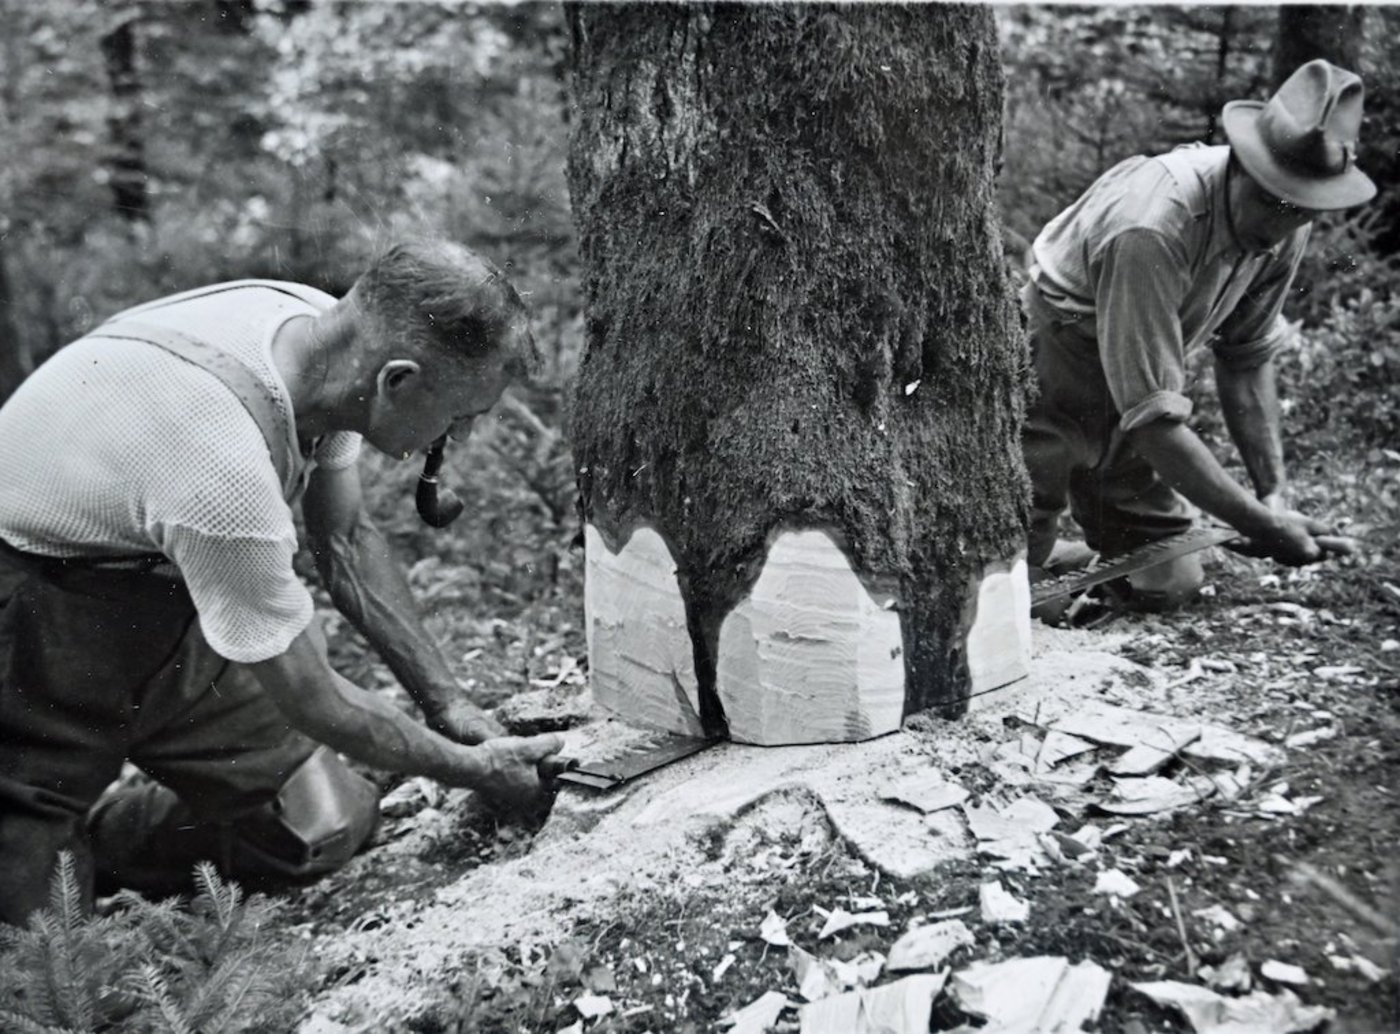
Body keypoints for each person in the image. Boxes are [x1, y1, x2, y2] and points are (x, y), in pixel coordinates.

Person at [0, 239, 567, 926]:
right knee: (39, 946)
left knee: (319, 822)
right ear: (399, 382)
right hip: (28, 619)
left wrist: (447, 704)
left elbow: (345, 538)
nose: (462, 437)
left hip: (158, 600)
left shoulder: (330, 345)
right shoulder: (221, 468)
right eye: (461, 416)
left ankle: (99, 845)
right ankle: (40, 839)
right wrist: (474, 771)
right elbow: (314, 700)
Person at [1021, 59, 1375, 617]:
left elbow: (1246, 357)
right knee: (1003, 593)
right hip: (1056, 366)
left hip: (1137, 383)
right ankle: (1032, 565)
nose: (1281, 227)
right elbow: (1155, 424)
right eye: (1274, 202)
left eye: (1301, 209)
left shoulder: (1287, 222)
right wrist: (1260, 527)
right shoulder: (1152, 226)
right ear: (1240, 165)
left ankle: (1062, 566)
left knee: (1169, 581)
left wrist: (1273, 497)